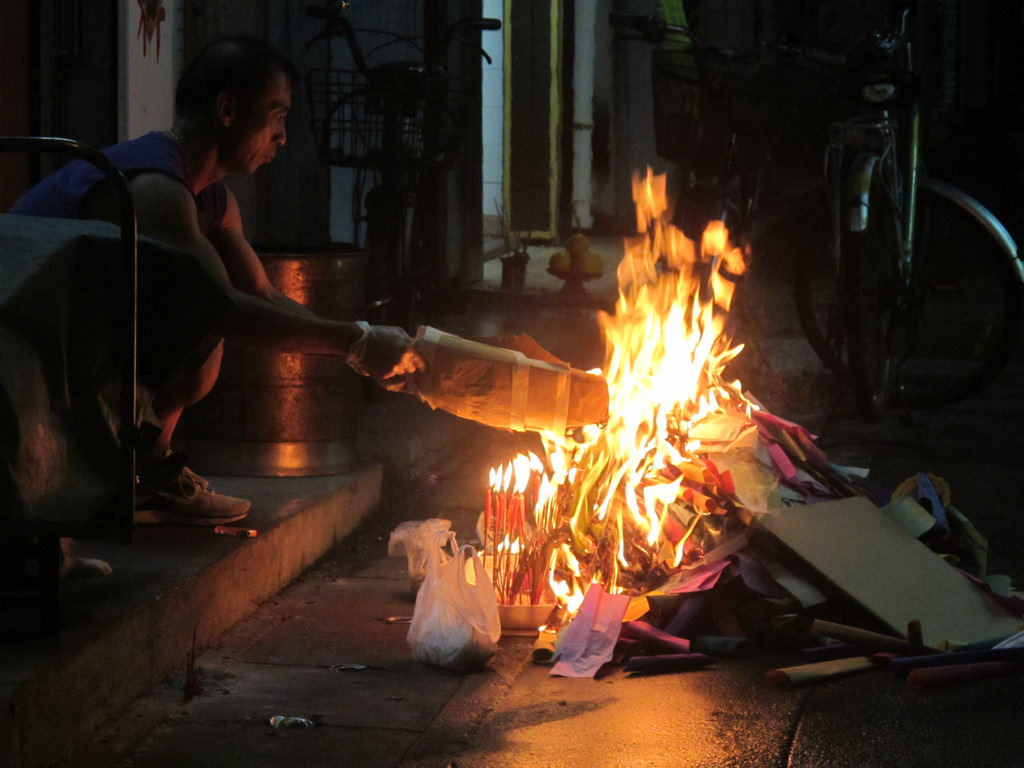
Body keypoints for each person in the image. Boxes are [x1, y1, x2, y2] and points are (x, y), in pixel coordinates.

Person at [9, 35, 425, 526]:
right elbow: (223, 307)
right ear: (227, 110)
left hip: (71, 344)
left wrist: (363, 341)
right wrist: (356, 343)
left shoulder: (214, 198)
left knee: (200, 337)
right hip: (20, 351)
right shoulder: (156, 190)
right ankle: (121, 481)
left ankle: (145, 474)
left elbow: (262, 294)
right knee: (203, 329)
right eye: (276, 115)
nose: (283, 137)